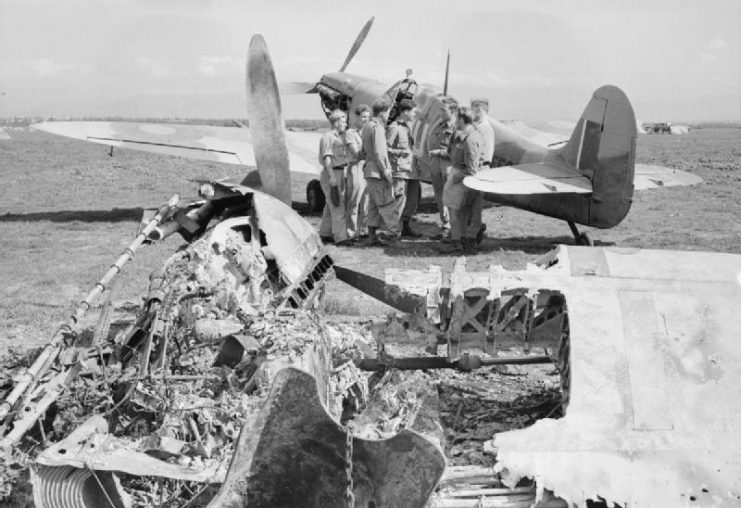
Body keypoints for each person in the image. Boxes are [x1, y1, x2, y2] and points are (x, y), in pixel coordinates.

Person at [440, 106, 483, 254]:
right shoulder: (461, 135)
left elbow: (471, 169)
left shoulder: (470, 139)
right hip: (459, 178)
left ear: (461, 120)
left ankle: (457, 243)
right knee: (457, 213)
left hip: (463, 180)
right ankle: (459, 241)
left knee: (455, 213)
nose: (454, 121)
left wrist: (457, 176)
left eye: (456, 118)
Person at [359, 98, 399, 245]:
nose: (389, 115)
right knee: (388, 204)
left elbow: (363, 151)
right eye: (388, 112)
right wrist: (387, 173)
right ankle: (394, 235)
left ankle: (371, 236)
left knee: (374, 206)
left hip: (370, 171)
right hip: (378, 172)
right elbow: (380, 153)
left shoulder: (367, 126)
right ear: (383, 111)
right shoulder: (377, 127)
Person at [318, 109, 351, 245]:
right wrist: (332, 177)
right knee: (338, 206)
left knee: (330, 204)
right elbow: (327, 159)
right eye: (343, 121)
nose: (345, 124)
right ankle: (341, 237)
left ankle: (325, 234)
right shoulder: (328, 137)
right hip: (332, 173)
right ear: (336, 122)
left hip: (339, 172)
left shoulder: (338, 137)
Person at [427, 96, 458, 237]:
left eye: (443, 110)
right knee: (439, 196)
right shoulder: (440, 125)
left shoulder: (457, 128)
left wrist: (439, 152)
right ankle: (445, 224)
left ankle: (453, 227)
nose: (440, 113)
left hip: (448, 165)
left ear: (452, 111)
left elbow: (457, 152)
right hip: (436, 164)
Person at [386, 99, 417, 237]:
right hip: (398, 171)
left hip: (408, 170)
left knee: (408, 201)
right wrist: (401, 153)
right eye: (413, 112)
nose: (414, 115)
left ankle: (402, 228)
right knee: (398, 201)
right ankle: (393, 232)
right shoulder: (394, 128)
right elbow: (386, 149)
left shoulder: (407, 127)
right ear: (405, 112)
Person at [344, 104, 371, 240]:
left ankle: (363, 230)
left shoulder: (369, 132)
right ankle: (351, 231)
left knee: (366, 201)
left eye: (367, 117)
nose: (365, 119)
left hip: (368, 167)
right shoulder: (350, 133)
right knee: (354, 200)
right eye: (363, 117)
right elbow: (356, 153)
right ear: (357, 117)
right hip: (356, 167)